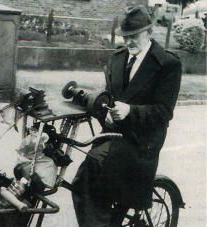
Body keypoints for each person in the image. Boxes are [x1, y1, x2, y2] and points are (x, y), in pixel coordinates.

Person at [71, 5, 182, 226]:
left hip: (143, 141)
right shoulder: (117, 59)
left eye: (134, 36)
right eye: (125, 37)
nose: (129, 42)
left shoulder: (167, 64)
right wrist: (106, 115)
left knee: (93, 170)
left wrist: (131, 111)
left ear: (149, 33)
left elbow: (163, 112)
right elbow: (109, 98)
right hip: (114, 135)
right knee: (82, 181)